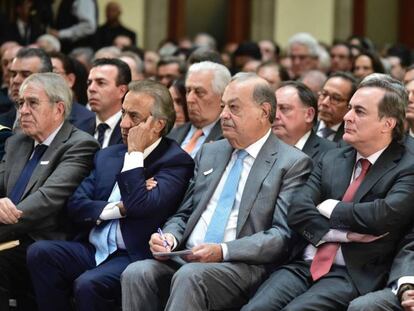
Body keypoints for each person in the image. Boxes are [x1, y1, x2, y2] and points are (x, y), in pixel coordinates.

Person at [120, 73, 313, 311]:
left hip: (242, 265)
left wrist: (222, 251)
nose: (223, 115)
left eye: (233, 107)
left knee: (190, 276)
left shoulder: (291, 163)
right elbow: (184, 213)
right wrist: (168, 238)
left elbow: (281, 236)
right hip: (187, 254)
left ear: (264, 112)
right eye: (223, 106)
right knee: (137, 272)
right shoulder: (211, 152)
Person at [242, 74, 414, 311]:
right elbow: (298, 211)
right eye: (350, 108)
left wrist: (329, 207)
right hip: (304, 264)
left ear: (388, 124)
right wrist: (344, 234)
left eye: (359, 112)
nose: (347, 117)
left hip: (351, 272)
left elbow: (382, 215)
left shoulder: (407, 165)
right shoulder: (333, 157)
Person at [26, 79, 194, 311]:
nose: (124, 123)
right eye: (123, 113)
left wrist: (135, 154)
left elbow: (140, 207)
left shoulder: (175, 162)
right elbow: (75, 204)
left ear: (158, 125)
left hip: (133, 254)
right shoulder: (107, 155)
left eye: (134, 117)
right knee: (40, 252)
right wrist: (119, 208)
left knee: (88, 284)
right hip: (94, 247)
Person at [0, 72, 99, 310]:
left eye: (32, 103)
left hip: (42, 241)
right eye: (21, 103)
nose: (23, 110)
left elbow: (46, 201)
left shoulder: (79, 145)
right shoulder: (17, 142)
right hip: (9, 235)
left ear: (59, 109)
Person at [167, 61, 230, 158]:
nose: (189, 99)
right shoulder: (172, 134)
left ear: (222, 96)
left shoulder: (229, 138)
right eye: (188, 91)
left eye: (199, 92)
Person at [273, 81, 335, 162]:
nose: (275, 116)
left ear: (309, 114)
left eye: (284, 108)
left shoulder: (331, 153)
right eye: (273, 109)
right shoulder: (263, 148)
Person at [83, 58, 131, 148]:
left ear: (122, 91)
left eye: (101, 83)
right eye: (89, 83)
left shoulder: (131, 129)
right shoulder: (79, 127)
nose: (91, 89)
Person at [1, 47, 52, 129]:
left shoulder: (61, 123)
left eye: (26, 75)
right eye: (13, 74)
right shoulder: (1, 122)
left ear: (46, 79)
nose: (15, 80)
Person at [49, 51, 95, 133]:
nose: (45, 79)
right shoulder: (28, 113)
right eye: (41, 74)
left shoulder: (85, 119)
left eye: (52, 73)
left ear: (70, 80)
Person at [315, 72, 357, 143]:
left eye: (336, 98)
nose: (325, 103)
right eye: (324, 94)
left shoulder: (351, 140)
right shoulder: (305, 125)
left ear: (349, 106)